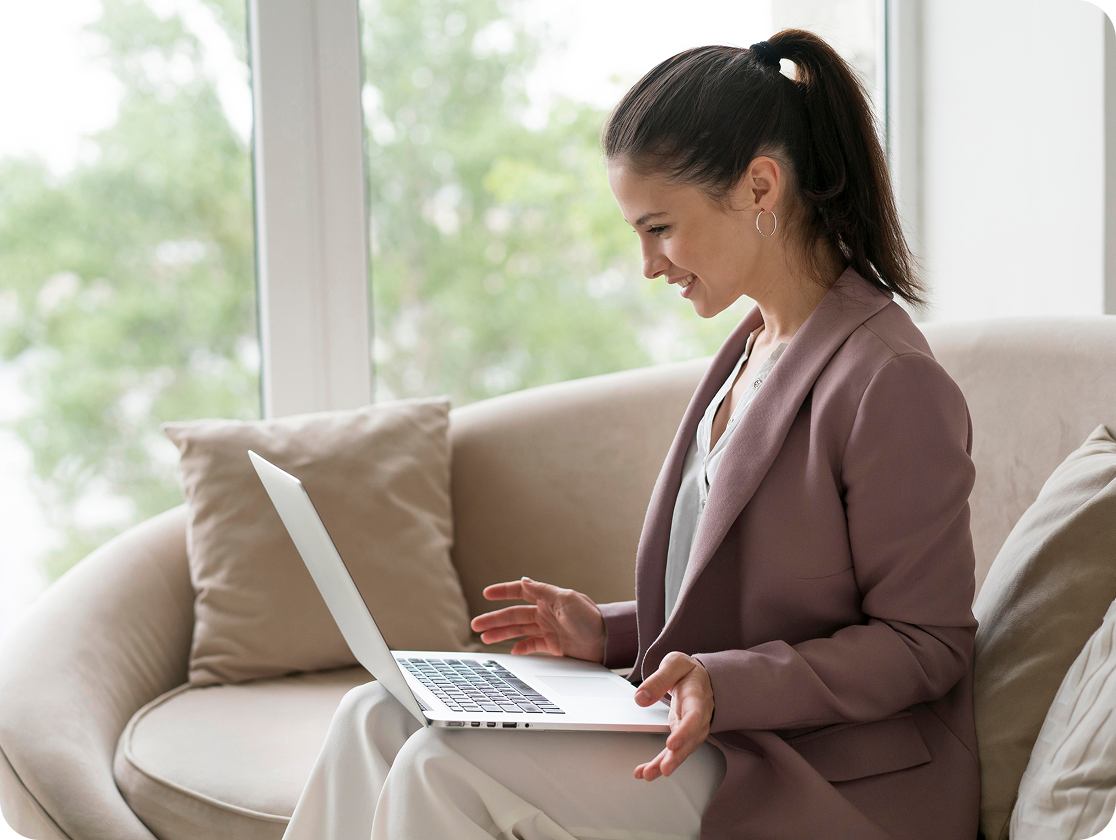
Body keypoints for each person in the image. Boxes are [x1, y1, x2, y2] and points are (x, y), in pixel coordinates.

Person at [282, 29, 980, 840]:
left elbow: (928, 644)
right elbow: (743, 599)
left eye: (660, 228)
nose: (648, 264)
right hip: (720, 732)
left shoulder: (890, 381)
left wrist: (725, 685)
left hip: (829, 776)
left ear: (761, 186)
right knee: (374, 715)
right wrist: (608, 632)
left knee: (445, 766)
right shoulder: (751, 347)